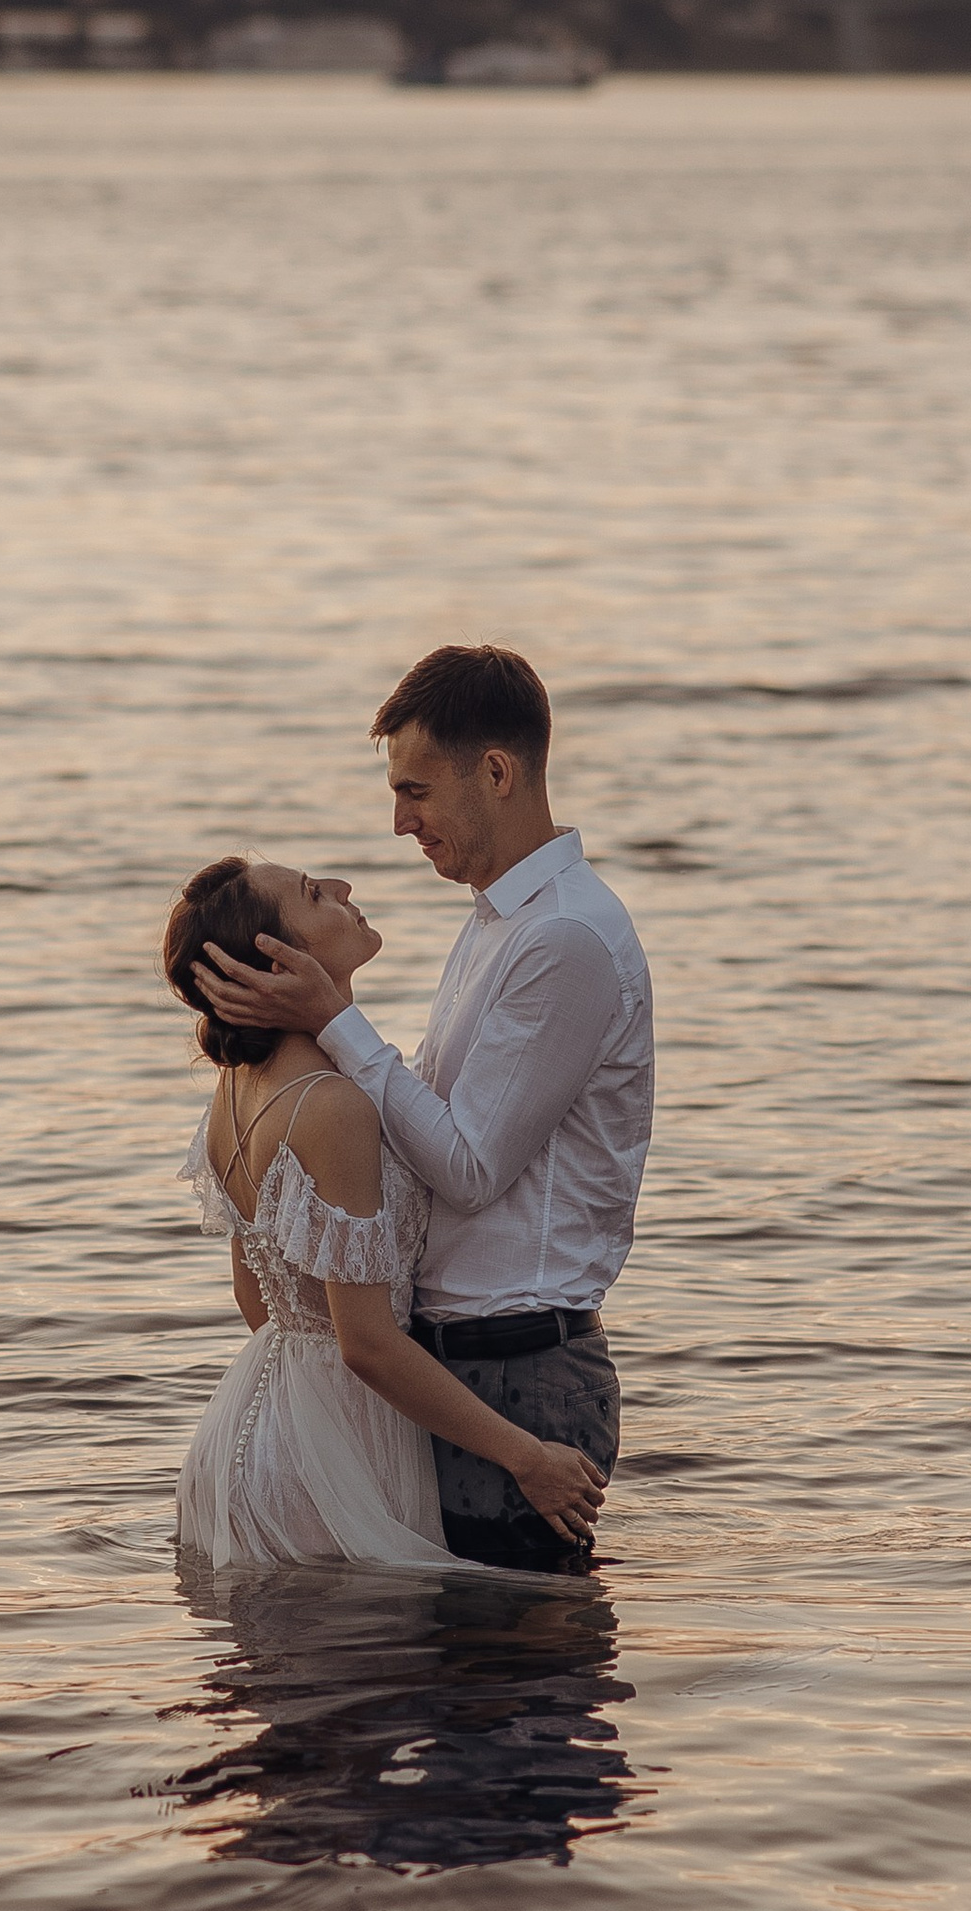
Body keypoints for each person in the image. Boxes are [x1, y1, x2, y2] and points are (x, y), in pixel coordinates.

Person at [193, 646, 651, 1575]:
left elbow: (471, 1168)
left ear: (497, 771)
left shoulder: (561, 936)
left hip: (518, 1369)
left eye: (417, 792)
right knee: (451, 1693)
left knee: (513, 1698)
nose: (399, 824)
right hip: (439, 1376)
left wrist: (337, 1021)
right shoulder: (495, 924)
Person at [166, 859, 608, 1571]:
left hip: (257, 1426)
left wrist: (308, 1398)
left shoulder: (235, 1091)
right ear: (278, 957)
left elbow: (259, 1301)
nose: (342, 888)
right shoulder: (332, 1105)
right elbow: (365, 1343)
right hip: (338, 1453)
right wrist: (527, 1459)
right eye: (313, 894)